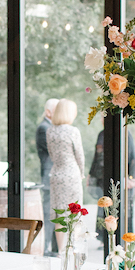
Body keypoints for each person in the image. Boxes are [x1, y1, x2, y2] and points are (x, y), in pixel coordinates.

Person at [46, 98, 85, 252]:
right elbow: (79, 155)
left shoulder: (50, 130)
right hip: (71, 173)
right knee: (74, 212)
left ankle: (61, 252)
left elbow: (51, 153)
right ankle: (72, 247)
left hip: (56, 173)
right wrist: (82, 172)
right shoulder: (73, 131)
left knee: (60, 213)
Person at [87, 129, 135, 235]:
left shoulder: (126, 133)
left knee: (121, 207)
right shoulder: (102, 134)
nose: (103, 118)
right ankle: (103, 236)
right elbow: (97, 157)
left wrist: (132, 178)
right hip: (103, 177)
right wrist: (91, 174)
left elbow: (132, 156)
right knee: (104, 207)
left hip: (121, 176)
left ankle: (123, 235)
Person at [35, 98, 59, 254]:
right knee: (49, 212)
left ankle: (55, 249)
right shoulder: (44, 128)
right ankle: (44, 248)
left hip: (55, 176)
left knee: (56, 212)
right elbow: (54, 152)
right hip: (49, 176)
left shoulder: (52, 127)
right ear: (48, 112)